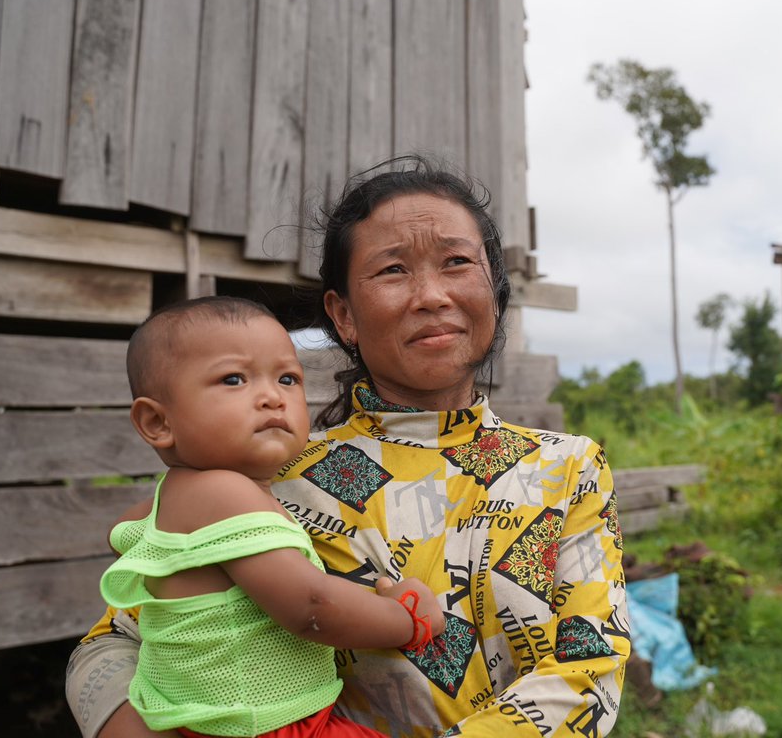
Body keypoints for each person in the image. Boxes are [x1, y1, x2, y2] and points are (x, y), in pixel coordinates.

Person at [67, 155, 631, 738]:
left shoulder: (566, 469)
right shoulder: (269, 475)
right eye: (393, 271)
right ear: (343, 315)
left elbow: (586, 670)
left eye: (457, 262)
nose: (431, 295)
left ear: (494, 288)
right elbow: (116, 639)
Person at [99, 296, 444, 737]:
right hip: (266, 725)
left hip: (207, 721)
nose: (271, 398)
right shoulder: (223, 492)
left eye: (287, 378)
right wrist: (410, 620)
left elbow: (120, 534)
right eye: (233, 379)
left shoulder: (176, 498)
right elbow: (311, 608)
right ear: (157, 422)